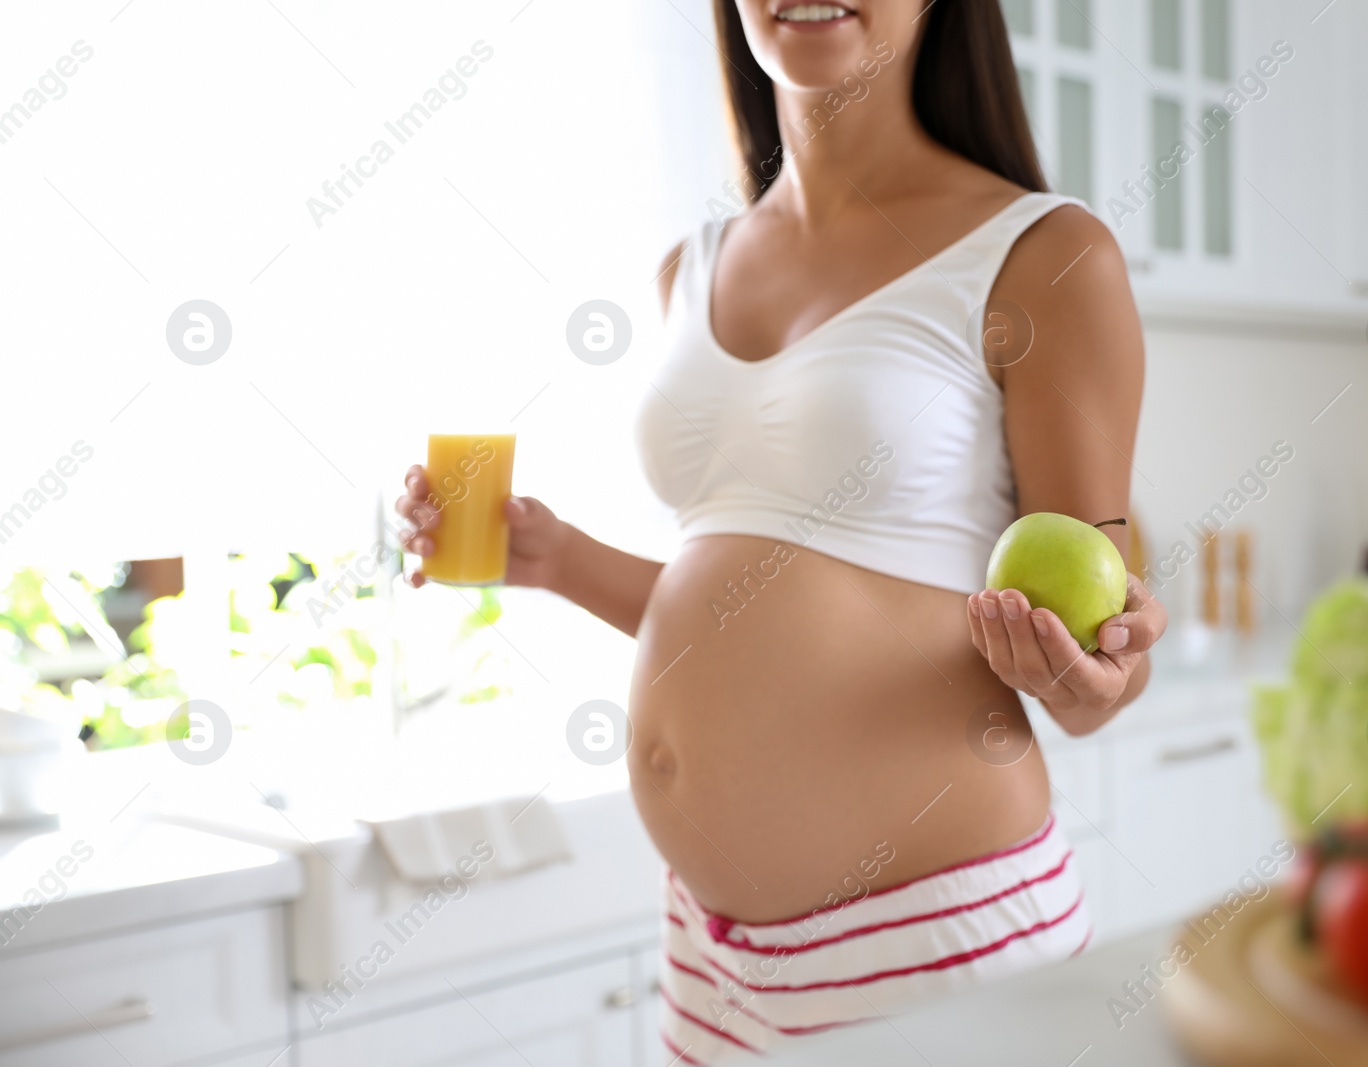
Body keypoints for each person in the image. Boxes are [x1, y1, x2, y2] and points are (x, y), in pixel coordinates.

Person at [397, 0, 1164, 1060]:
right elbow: (750, 597)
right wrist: (557, 558)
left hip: (927, 944)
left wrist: (1095, 674)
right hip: (711, 962)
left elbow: (1095, 633)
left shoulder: (1044, 252)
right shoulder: (690, 266)